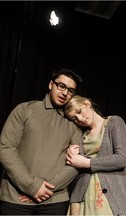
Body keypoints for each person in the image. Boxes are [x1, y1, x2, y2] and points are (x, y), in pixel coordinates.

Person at [0, 68, 83, 215]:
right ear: (51, 85)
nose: (65, 93)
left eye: (70, 91)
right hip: (16, 198)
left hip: (54, 201)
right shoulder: (25, 110)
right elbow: (6, 148)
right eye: (61, 86)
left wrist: (45, 189)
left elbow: (76, 163)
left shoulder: (74, 123)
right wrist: (32, 186)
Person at [63, 95, 126, 215]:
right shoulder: (81, 134)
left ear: (87, 103)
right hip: (84, 197)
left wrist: (86, 163)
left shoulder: (114, 122)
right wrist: (70, 150)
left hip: (109, 197)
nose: (80, 118)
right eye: (74, 118)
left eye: (79, 111)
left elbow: (123, 158)